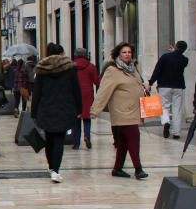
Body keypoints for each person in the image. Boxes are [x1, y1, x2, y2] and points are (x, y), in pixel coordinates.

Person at [91, 42, 149, 180]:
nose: (127, 54)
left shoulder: (133, 68)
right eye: (124, 52)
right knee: (134, 137)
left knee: (123, 141)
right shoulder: (113, 71)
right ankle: (138, 169)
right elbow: (103, 91)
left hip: (134, 109)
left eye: (129, 52)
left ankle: (117, 168)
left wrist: (144, 87)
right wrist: (95, 109)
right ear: (118, 54)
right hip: (122, 111)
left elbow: (137, 84)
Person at [31, 43, 82, 183]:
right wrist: (79, 109)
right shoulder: (70, 70)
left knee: (49, 139)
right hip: (64, 108)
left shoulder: (41, 71)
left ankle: (51, 167)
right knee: (59, 139)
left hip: (45, 108)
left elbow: (37, 93)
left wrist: (33, 112)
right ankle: (56, 170)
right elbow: (76, 91)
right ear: (61, 53)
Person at [148, 40, 190, 140]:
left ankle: (166, 121)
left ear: (175, 46)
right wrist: (175, 52)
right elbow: (177, 59)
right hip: (178, 86)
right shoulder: (185, 60)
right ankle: (176, 132)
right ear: (184, 49)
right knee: (177, 109)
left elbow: (157, 70)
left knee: (164, 107)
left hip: (164, 86)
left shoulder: (165, 57)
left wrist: (150, 82)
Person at [72, 48, 101, 149]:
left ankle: (76, 143)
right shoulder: (91, 66)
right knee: (87, 118)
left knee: (76, 119)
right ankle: (87, 136)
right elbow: (97, 82)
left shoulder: (71, 66)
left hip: (74, 94)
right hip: (87, 94)